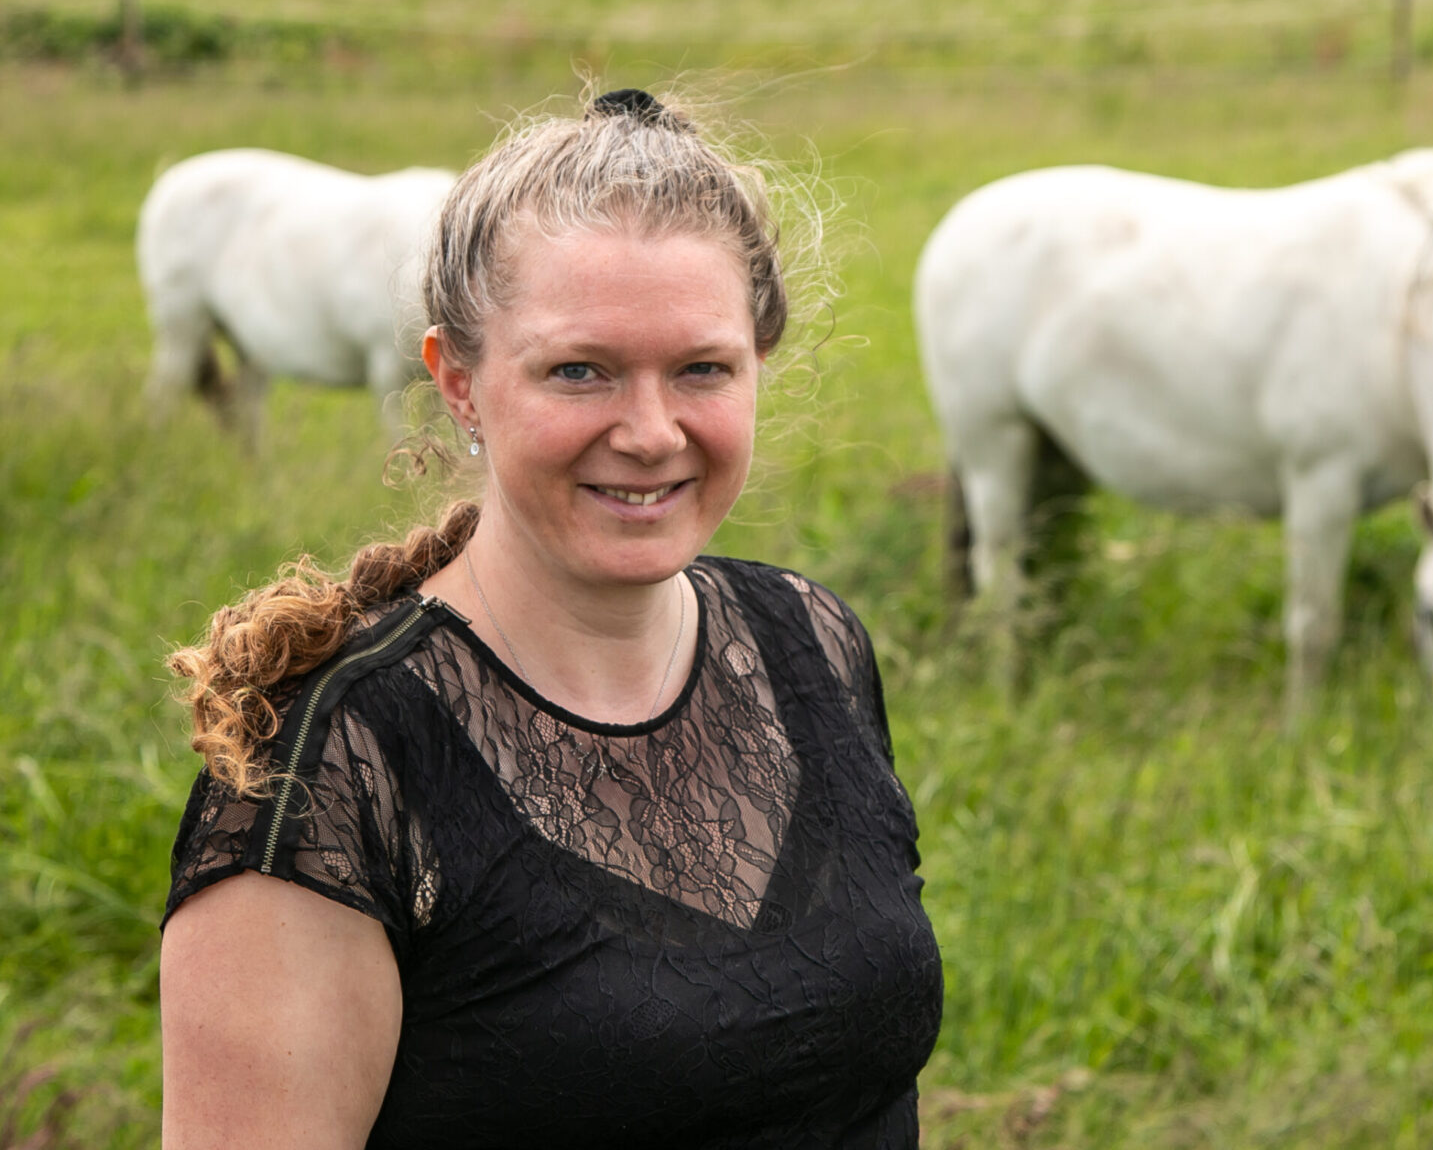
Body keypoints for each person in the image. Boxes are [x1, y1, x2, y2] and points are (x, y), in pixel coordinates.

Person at [158, 88, 943, 1149]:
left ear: (758, 366)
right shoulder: (332, 766)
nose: (651, 432)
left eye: (702, 368)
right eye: (581, 371)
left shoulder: (810, 642)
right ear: (459, 383)